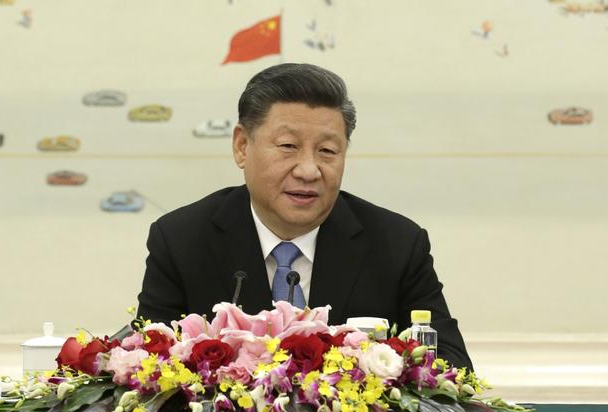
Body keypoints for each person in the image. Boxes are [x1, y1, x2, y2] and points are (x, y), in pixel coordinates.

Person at [137, 63, 473, 369]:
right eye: (288, 146)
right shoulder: (182, 240)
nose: (309, 170)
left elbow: (451, 368)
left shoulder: (396, 244)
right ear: (242, 146)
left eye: (327, 151)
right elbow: (148, 365)